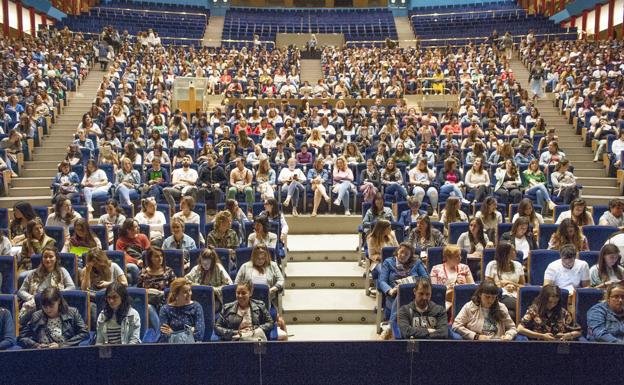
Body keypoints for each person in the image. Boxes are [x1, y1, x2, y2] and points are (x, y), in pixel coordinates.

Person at [18, 287, 89, 348]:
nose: (48, 310)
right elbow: (21, 337)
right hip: (42, 355)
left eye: (51, 306)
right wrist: (35, 345)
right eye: (45, 306)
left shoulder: (72, 313)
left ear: (58, 301)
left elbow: (84, 333)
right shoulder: (36, 316)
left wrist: (61, 345)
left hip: (66, 352)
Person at [18, 246, 76, 316]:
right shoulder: (33, 273)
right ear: (42, 259)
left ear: (56, 258)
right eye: (45, 257)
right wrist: (32, 297)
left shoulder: (62, 271)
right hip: (34, 304)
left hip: (55, 305)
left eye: (51, 257)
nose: (48, 259)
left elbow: (72, 287)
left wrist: (57, 294)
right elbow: (21, 291)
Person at [452, 280, 517, 341]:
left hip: (497, 344)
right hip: (476, 344)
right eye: (487, 297)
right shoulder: (469, 306)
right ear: (480, 294)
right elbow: (456, 325)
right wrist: (476, 336)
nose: (490, 301)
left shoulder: (501, 307)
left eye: (493, 297)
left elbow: (512, 328)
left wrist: (508, 336)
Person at [378, 243, 428, 322]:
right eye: (401, 252)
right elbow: (381, 281)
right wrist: (390, 290)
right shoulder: (388, 262)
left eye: (406, 254)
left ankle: (391, 328)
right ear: (397, 251)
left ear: (410, 256)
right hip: (394, 295)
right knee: (401, 293)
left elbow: (426, 278)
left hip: (414, 293)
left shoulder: (416, 263)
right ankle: (392, 325)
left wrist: (416, 283)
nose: (403, 255)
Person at [484, 242, 525, 321]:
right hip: (500, 295)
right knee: (520, 305)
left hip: (516, 294)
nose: (515, 252)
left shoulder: (518, 265)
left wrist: (512, 284)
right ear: (505, 253)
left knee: (511, 313)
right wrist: (501, 285)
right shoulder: (492, 265)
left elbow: (523, 286)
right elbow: (487, 286)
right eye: (512, 250)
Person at [158, 278, 204, 343]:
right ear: (176, 295)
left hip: (192, 348)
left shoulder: (196, 307)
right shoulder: (165, 309)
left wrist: (173, 333)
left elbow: (199, 335)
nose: (189, 294)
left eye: (190, 290)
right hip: (171, 348)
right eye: (185, 292)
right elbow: (164, 337)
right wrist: (189, 332)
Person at [430, 245, 474, 309]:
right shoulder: (436, 269)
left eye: (460, 255)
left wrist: (464, 285)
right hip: (443, 302)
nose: (460, 258)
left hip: (463, 302)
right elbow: (434, 291)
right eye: (457, 256)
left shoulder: (465, 267)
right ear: (448, 257)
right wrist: (448, 289)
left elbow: (472, 288)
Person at [115, 219, 150, 284]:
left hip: (143, 261)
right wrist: (136, 261)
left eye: (138, 226)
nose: (138, 228)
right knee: (133, 267)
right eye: (136, 227)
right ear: (128, 230)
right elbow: (123, 256)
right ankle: (138, 286)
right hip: (130, 263)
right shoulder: (120, 241)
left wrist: (144, 261)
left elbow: (148, 250)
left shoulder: (143, 237)